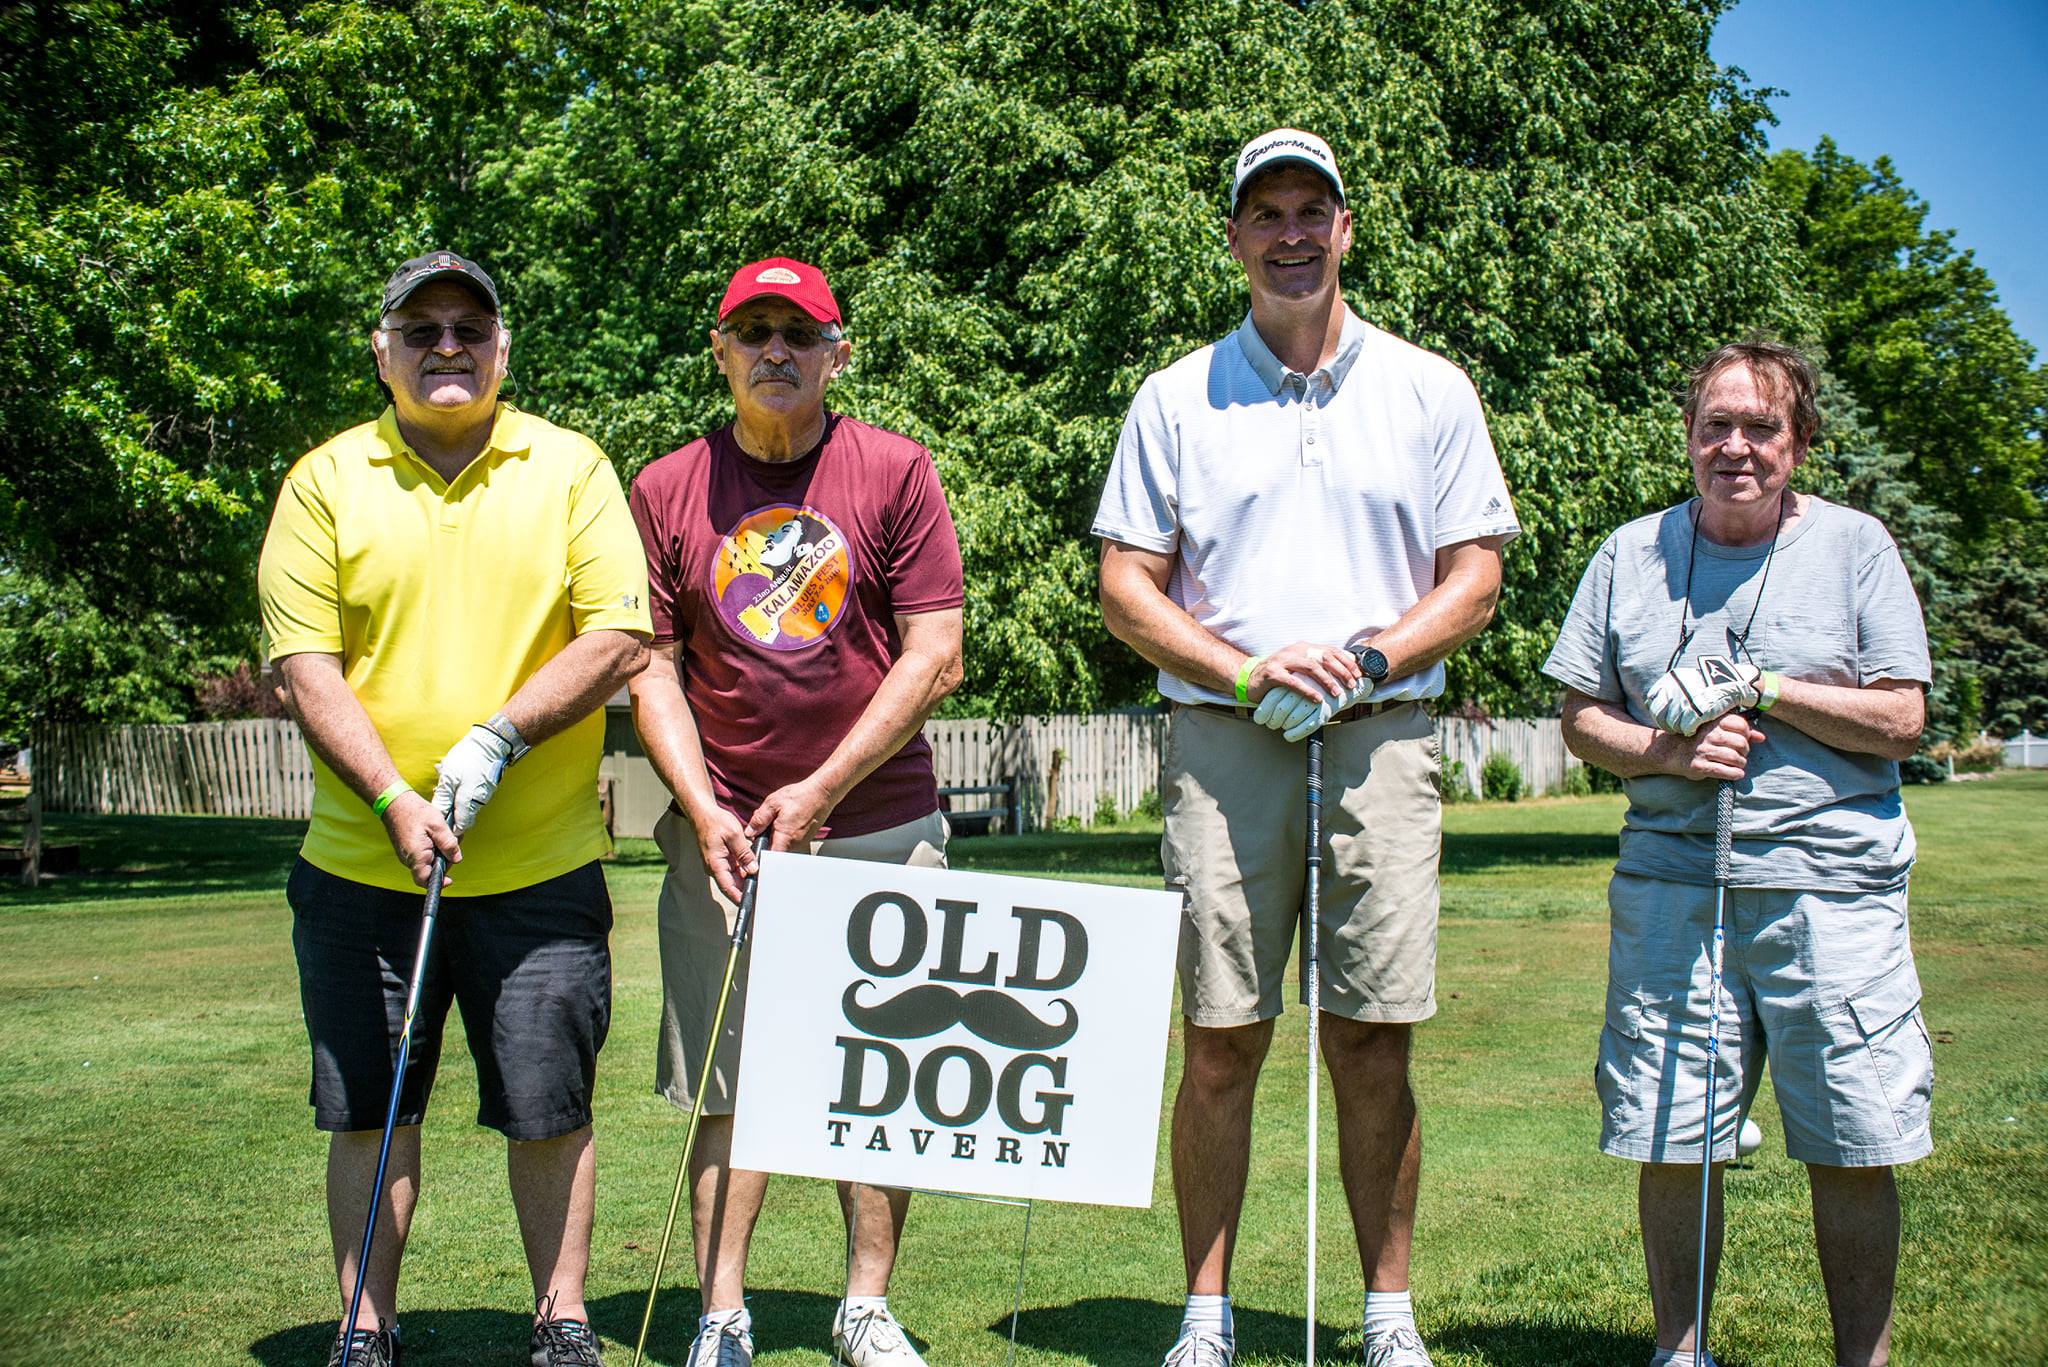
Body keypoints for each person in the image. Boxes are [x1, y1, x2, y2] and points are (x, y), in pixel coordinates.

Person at [1094, 130, 1520, 1367]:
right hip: (1225, 739)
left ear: (1345, 228)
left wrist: (1369, 658)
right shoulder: (1177, 395)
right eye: (1264, 213)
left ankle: (1387, 1312)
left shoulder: (1426, 388)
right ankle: (1206, 1312)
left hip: (1379, 736)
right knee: (1220, 1036)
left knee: (1370, 1031)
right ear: (1233, 237)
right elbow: (1127, 585)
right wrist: (1240, 666)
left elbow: (1476, 574)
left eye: (1309, 211)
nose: (1289, 232)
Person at [258, 251, 651, 1367]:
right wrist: (388, 793)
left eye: (467, 328)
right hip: (361, 867)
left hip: (540, 866)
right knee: (371, 1111)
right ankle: (363, 1326)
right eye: (419, 327)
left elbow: (618, 630)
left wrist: (499, 733)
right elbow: (306, 665)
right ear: (379, 349)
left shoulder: (569, 466)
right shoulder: (326, 479)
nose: (445, 346)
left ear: (502, 347)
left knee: (549, 1105)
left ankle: (561, 1318)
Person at [1543, 340, 1933, 1367]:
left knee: (1853, 1135)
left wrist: (1762, 686)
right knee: (1674, 1134)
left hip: (1829, 889)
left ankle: (1862, 1358)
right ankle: (1680, 1352)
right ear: (1686, 436)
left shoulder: (1856, 548)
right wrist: (1669, 748)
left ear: (1797, 442)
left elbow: (1900, 717)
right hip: (1672, 886)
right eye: (1713, 424)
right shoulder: (1629, 554)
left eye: (1759, 426)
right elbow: (1580, 717)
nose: (1734, 447)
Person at [627, 257, 965, 1367]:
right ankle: (721, 1312)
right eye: (753, 331)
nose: (776, 349)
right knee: (729, 1078)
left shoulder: (894, 470)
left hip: (879, 821)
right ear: (719, 351)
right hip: (724, 835)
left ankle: (864, 1305)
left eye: (798, 332)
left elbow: (935, 652)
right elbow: (649, 666)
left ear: (837, 353)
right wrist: (703, 805)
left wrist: (820, 790)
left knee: (881, 1073)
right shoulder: (666, 486)